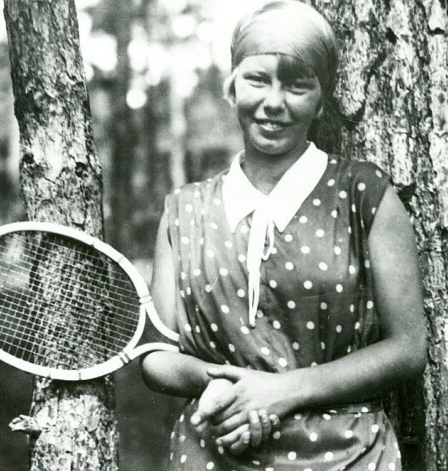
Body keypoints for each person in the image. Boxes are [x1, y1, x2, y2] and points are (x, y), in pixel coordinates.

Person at [140, 1, 427, 470]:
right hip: (215, 449)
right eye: (257, 79)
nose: (274, 102)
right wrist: (224, 388)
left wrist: (279, 393)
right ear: (232, 87)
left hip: (348, 456)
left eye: (298, 84)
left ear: (321, 99)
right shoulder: (185, 209)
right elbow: (155, 355)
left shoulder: (362, 194)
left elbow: (407, 348)